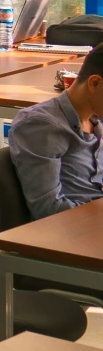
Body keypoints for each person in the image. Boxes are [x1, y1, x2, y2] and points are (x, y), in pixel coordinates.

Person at [9, 42, 103, 219]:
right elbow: (48, 209)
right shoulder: (41, 126)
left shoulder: (95, 118)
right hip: (76, 231)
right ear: (95, 83)